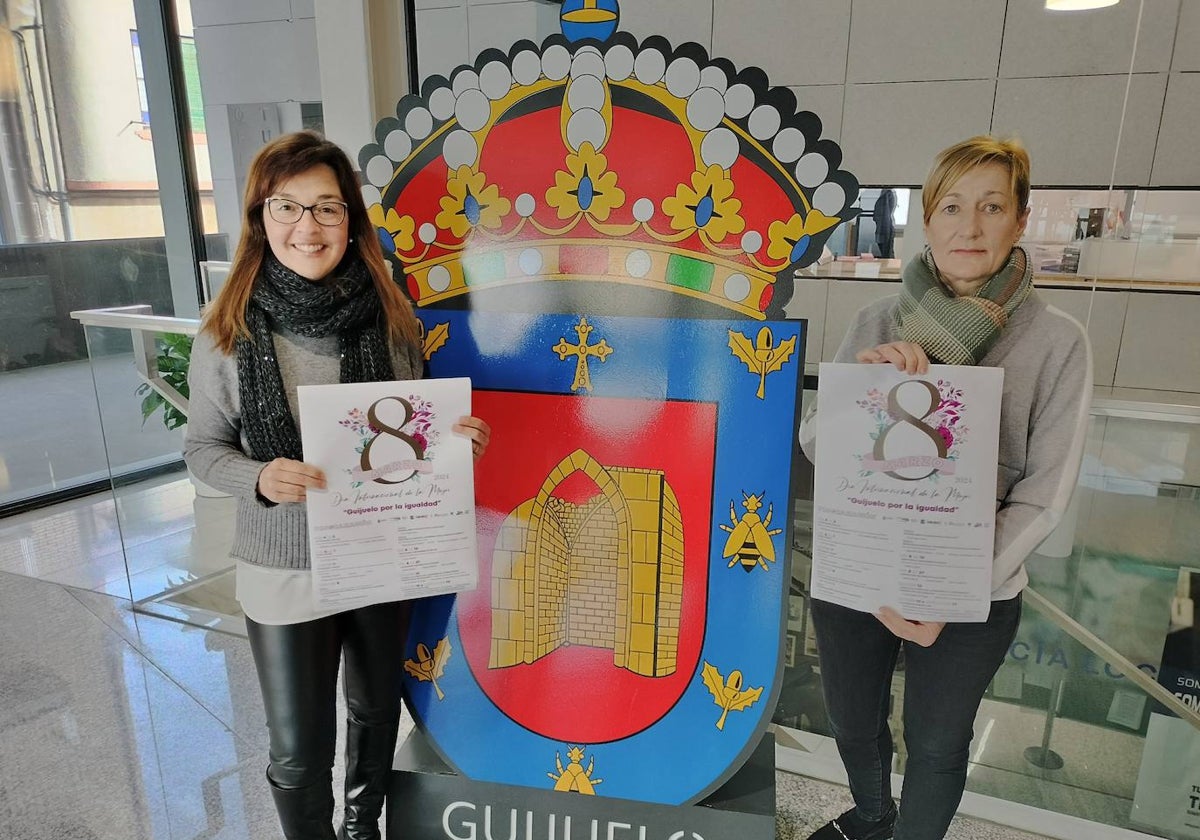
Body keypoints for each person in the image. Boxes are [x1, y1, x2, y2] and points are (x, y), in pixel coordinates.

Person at [184, 131, 490, 840]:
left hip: (379, 554)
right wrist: (259, 475)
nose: (308, 227)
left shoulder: (391, 321)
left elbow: (406, 437)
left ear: (350, 220)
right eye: (288, 207)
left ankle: (362, 830)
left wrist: (454, 442)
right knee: (299, 750)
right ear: (261, 219)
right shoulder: (228, 332)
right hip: (284, 566)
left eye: (327, 208)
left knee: (378, 713)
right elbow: (201, 449)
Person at [802, 136, 1092, 840]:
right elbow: (817, 443)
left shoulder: (1057, 341)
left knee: (935, 742)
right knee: (851, 719)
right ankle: (871, 818)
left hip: (973, 590)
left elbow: (1044, 495)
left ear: (1020, 221)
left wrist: (951, 588)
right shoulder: (876, 322)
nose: (971, 226)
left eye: (992, 207)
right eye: (953, 206)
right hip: (862, 567)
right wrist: (866, 390)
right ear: (927, 222)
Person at [873, 188, 897, 259]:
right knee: (886, 254)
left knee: (887, 255)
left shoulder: (888, 193)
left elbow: (885, 214)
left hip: (885, 228)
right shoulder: (886, 193)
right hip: (883, 228)